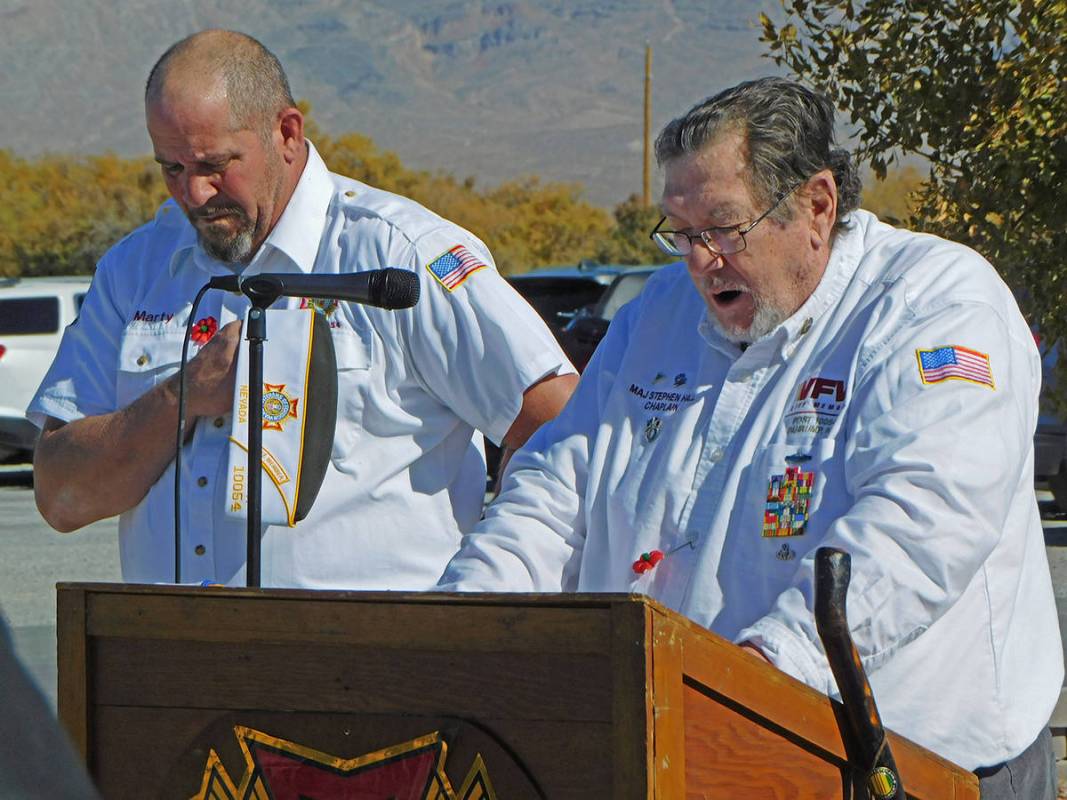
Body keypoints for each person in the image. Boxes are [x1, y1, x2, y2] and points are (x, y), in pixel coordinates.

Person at [437, 77, 1063, 796]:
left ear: (817, 206)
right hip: (683, 748)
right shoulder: (658, 314)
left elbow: (924, 521)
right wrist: (464, 627)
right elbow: (556, 490)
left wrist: (759, 676)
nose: (701, 261)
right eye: (681, 232)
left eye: (725, 229)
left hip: (908, 764)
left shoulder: (936, 304)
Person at [29, 30, 577, 590]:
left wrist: (486, 587)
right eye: (171, 168)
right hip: (176, 661)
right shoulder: (135, 269)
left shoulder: (402, 256)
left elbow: (567, 430)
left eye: (214, 164)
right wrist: (183, 395)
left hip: (378, 664)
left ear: (287, 132)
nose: (193, 194)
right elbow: (61, 495)